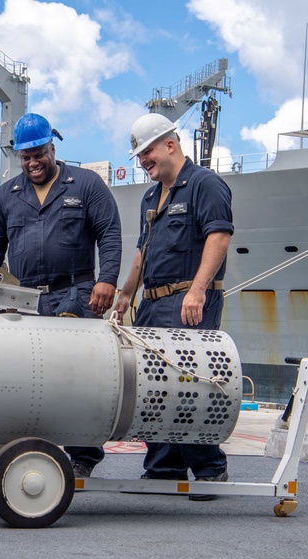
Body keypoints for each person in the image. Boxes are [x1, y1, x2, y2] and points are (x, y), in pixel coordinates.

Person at [0, 112, 122, 478]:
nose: (33, 163)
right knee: (21, 376)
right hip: (23, 299)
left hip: (76, 292)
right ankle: (21, 449)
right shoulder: (5, 197)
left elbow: (109, 233)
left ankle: (83, 455)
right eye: (25, 157)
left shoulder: (86, 184)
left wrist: (108, 280)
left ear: (52, 148)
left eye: (39, 153)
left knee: (79, 376)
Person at [113, 112, 234, 501]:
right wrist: (127, 292)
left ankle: (210, 467)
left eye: (146, 151)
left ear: (170, 144)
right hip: (151, 303)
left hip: (188, 301)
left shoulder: (205, 184)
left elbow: (218, 237)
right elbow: (142, 252)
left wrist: (197, 291)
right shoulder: (152, 196)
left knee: (189, 387)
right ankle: (164, 468)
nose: (143, 160)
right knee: (153, 389)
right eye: (139, 155)